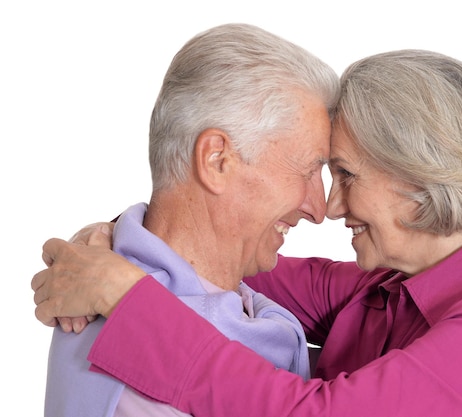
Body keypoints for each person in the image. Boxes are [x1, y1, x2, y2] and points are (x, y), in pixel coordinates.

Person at [32, 50, 462, 416]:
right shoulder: (388, 288)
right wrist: (113, 238)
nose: (328, 208)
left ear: (418, 177)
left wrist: (124, 296)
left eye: (345, 175)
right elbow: (216, 254)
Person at [39, 23, 340, 417]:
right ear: (217, 160)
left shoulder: (124, 285)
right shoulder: (136, 370)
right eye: (306, 172)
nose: (319, 210)